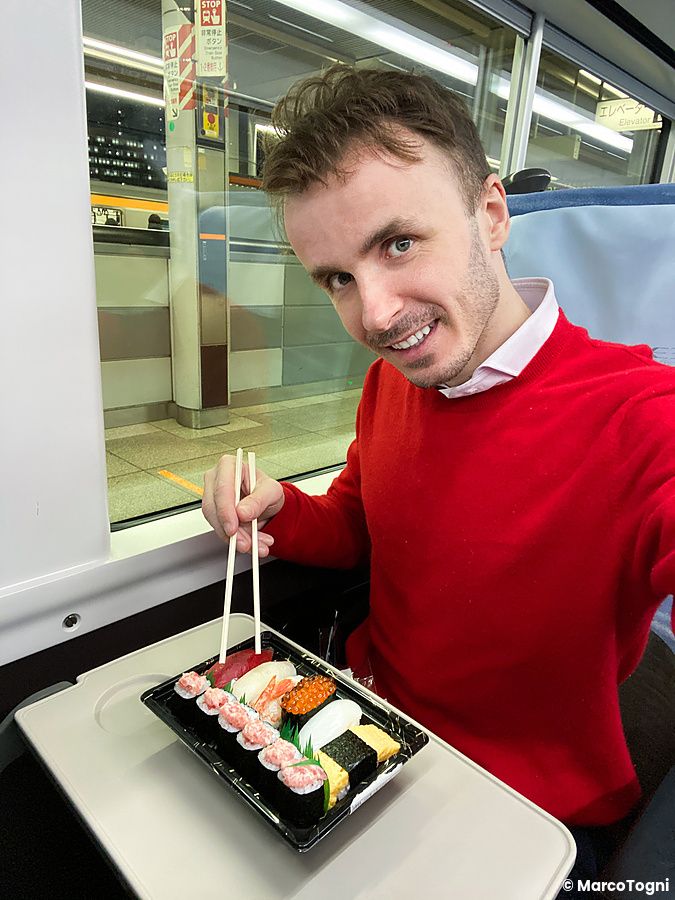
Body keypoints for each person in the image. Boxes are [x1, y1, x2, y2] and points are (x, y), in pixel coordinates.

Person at [201, 65, 675, 885]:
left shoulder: (641, 419)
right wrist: (281, 508)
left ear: (490, 214)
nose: (376, 315)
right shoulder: (394, 382)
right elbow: (359, 521)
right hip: (364, 726)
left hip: (518, 806)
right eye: (338, 280)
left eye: (397, 243)